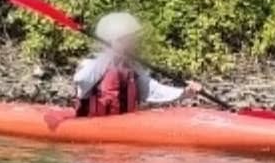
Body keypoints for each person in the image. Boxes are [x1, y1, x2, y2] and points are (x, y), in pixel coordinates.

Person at [72, 13, 201, 117]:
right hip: (93, 125)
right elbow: (81, 80)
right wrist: (109, 54)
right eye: (129, 40)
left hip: (124, 126)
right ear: (114, 41)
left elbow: (153, 91)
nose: (134, 44)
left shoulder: (132, 67)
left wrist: (184, 92)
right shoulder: (91, 65)